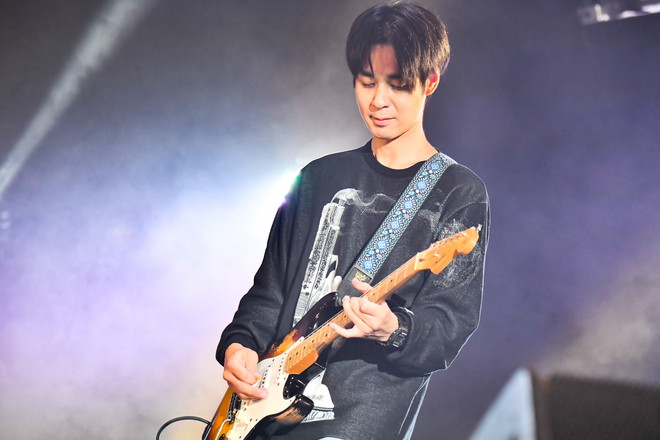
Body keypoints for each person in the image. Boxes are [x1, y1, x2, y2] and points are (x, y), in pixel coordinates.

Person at [215, 3, 490, 439]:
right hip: (264, 413)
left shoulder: (458, 192)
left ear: (430, 82)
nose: (378, 100)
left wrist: (392, 328)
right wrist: (240, 345)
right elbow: (269, 292)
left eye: (398, 85)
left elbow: (449, 327)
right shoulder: (317, 177)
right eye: (367, 82)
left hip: (356, 422)